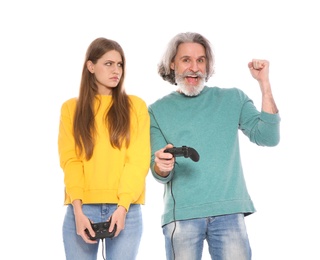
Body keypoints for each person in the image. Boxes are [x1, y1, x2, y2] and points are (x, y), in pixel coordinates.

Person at [148, 32, 280, 260]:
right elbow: (160, 174)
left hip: (228, 211)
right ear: (172, 64)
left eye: (201, 60)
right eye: (186, 60)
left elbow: (268, 136)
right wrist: (162, 165)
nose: (194, 67)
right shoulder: (156, 111)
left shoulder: (232, 99)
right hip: (182, 215)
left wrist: (264, 83)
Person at [58, 37, 150, 260]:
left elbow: (137, 160)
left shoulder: (135, 106)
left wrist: (122, 206)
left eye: (119, 64)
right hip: (81, 209)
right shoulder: (71, 108)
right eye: (108, 63)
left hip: (126, 208)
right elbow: (71, 161)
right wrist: (78, 211)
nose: (116, 70)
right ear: (91, 66)